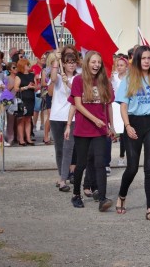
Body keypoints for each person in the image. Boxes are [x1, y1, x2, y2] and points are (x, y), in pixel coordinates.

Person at [115, 46, 150, 219]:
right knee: (133, 167)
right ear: (137, 59)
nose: (146, 61)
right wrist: (127, 126)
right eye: (143, 58)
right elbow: (123, 105)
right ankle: (122, 195)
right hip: (133, 123)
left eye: (149, 58)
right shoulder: (128, 79)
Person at [66, 51, 116, 211]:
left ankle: (102, 198)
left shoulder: (104, 82)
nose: (96, 65)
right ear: (87, 63)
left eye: (99, 63)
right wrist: (69, 125)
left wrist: (111, 126)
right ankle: (76, 195)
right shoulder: (78, 80)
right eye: (93, 62)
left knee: (100, 163)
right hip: (83, 129)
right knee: (81, 164)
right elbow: (77, 105)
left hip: (100, 130)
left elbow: (107, 105)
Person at [49, 51, 78, 192]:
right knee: (59, 149)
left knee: (68, 148)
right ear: (64, 64)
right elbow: (53, 78)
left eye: (73, 62)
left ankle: (63, 180)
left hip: (71, 118)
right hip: (56, 116)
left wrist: (70, 84)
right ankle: (62, 175)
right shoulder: (60, 77)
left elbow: (79, 94)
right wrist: (56, 60)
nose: (71, 64)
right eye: (68, 62)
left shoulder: (78, 78)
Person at [13, 59, 36, 146]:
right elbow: (16, 89)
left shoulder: (32, 75)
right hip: (22, 99)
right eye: (27, 64)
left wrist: (33, 87)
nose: (29, 66)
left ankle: (28, 138)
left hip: (30, 98)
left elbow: (36, 86)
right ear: (22, 66)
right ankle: (21, 139)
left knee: (28, 119)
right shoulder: (18, 76)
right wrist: (26, 87)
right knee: (21, 119)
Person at [112, 56, 129, 167]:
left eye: (121, 65)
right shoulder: (113, 77)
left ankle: (122, 156)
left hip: (124, 107)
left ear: (126, 67)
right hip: (113, 107)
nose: (119, 67)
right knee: (114, 132)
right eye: (118, 65)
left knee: (124, 134)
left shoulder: (129, 78)